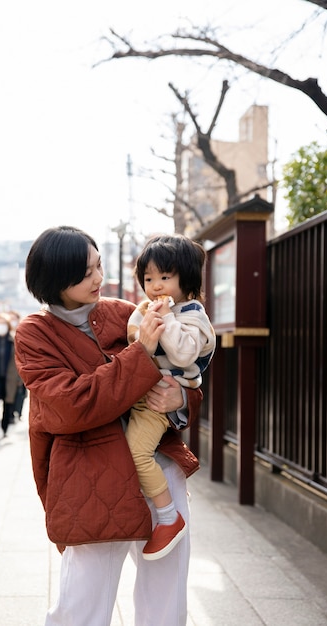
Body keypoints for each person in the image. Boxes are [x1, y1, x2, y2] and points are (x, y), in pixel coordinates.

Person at [14, 226, 203, 626]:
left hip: (158, 469)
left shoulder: (125, 312)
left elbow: (183, 373)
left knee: (166, 598)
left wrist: (182, 399)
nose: (99, 278)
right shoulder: (35, 333)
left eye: (98, 265)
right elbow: (72, 406)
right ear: (55, 280)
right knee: (81, 603)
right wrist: (141, 355)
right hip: (91, 479)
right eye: (86, 273)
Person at [126, 234, 216, 560]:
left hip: (160, 400)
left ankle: (168, 517)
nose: (156, 286)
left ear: (186, 279)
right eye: (148, 278)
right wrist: (145, 323)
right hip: (141, 392)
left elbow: (181, 355)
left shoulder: (194, 317)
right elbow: (133, 343)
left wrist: (164, 318)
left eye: (165, 277)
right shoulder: (147, 308)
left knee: (137, 452)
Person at [7, 310, 27, 422]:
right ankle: (10, 414)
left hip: (21, 370)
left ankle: (18, 412)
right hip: (9, 371)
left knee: (20, 393)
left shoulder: (23, 332)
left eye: (14, 318)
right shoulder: (6, 335)